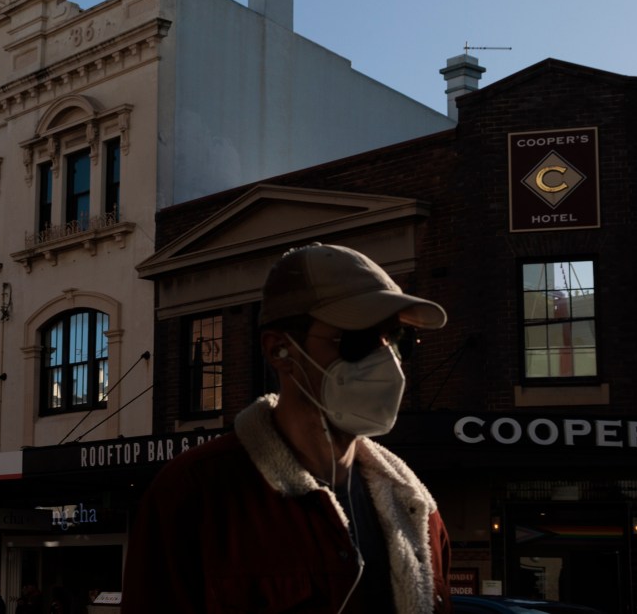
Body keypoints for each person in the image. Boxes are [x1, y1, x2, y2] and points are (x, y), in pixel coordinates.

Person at [122, 243, 452, 613]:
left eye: (397, 340)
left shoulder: (417, 509)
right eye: (358, 340)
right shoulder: (193, 497)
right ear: (279, 349)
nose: (387, 361)